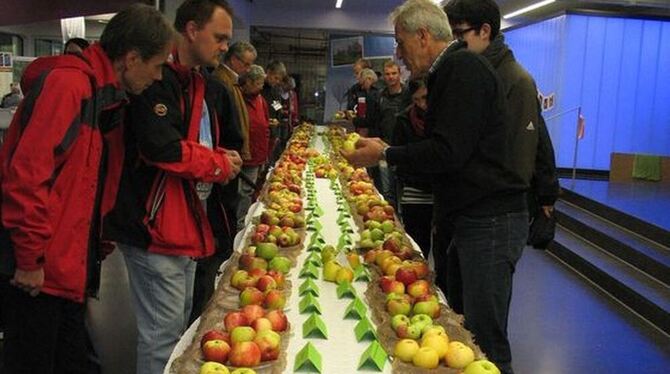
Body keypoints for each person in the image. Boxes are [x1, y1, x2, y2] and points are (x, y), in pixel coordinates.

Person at [343, 1, 528, 373]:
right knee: (462, 328)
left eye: (400, 43)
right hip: (470, 216)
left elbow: (448, 151)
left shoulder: (462, 69)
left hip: (489, 219)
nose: (398, 54)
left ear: (423, 36)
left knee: (485, 340)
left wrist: (387, 154)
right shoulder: (453, 71)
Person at [0, 4, 174, 373]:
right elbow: (28, 175)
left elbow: (88, 181)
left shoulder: (104, 97)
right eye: (158, 65)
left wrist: (97, 241)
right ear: (130, 58)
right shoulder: (71, 86)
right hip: (38, 273)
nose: (159, 77)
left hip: (65, 269)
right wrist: (30, 258)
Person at [101, 1, 242, 373]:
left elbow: (183, 140)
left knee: (176, 327)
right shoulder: (155, 79)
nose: (225, 46)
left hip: (182, 221)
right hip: (154, 224)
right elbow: (160, 146)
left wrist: (217, 155)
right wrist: (214, 164)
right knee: (162, 335)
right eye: (220, 37)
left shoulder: (194, 81)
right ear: (192, 30)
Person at [443, 0, 559, 239]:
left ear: (484, 31)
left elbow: (527, 149)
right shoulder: (472, 73)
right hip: (470, 208)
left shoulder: (515, 80)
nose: (455, 43)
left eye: (460, 33)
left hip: (495, 215)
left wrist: (546, 194)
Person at [393, 78, 432, 257]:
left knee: (440, 248)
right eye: (416, 100)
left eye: (425, 98)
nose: (422, 105)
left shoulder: (444, 119)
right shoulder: (403, 120)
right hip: (413, 190)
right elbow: (397, 155)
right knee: (417, 245)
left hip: (440, 192)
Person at [236, 65, 270, 229]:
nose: (261, 87)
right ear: (248, 82)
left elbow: (265, 124)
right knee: (244, 192)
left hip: (258, 154)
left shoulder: (260, 99)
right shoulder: (238, 98)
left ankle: (247, 220)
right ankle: (240, 225)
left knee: (251, 190)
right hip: (244, 156)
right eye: (258, 83)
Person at [213, 41, 258, 162]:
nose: (248, 70)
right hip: (227, 153)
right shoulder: (221, 81)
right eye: (246, 64)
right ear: (233, 59)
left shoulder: (233, 81)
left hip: (231, 152)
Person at [376, 60, 410, 206]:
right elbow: (376, 121)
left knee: (403, 190)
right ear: (384, 76)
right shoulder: (380, 96)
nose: (391, 77)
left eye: (394, 73)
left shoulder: (408, 95)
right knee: (386, 190)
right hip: (384, 146)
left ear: (399, 74)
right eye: (388, 74)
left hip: (404, 149)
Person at [263, 60, 286, 163]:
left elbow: (277, 108)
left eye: (279, 80)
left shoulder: (275, 91)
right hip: (261, 131)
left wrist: (278, 118)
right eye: (275, 78)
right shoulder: (259, 88)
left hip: (272, 131)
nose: (277, 81)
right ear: (268, 72)